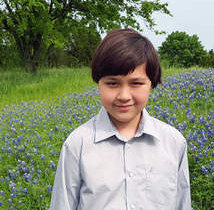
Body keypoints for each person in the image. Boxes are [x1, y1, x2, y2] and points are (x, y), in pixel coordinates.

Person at [50, 28, 191, 210]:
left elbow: (182, 204)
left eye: (136, 83)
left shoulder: (173, 142)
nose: (124, 95)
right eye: (112, 83)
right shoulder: (78, 144)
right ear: (98, 83)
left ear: (152, 83)